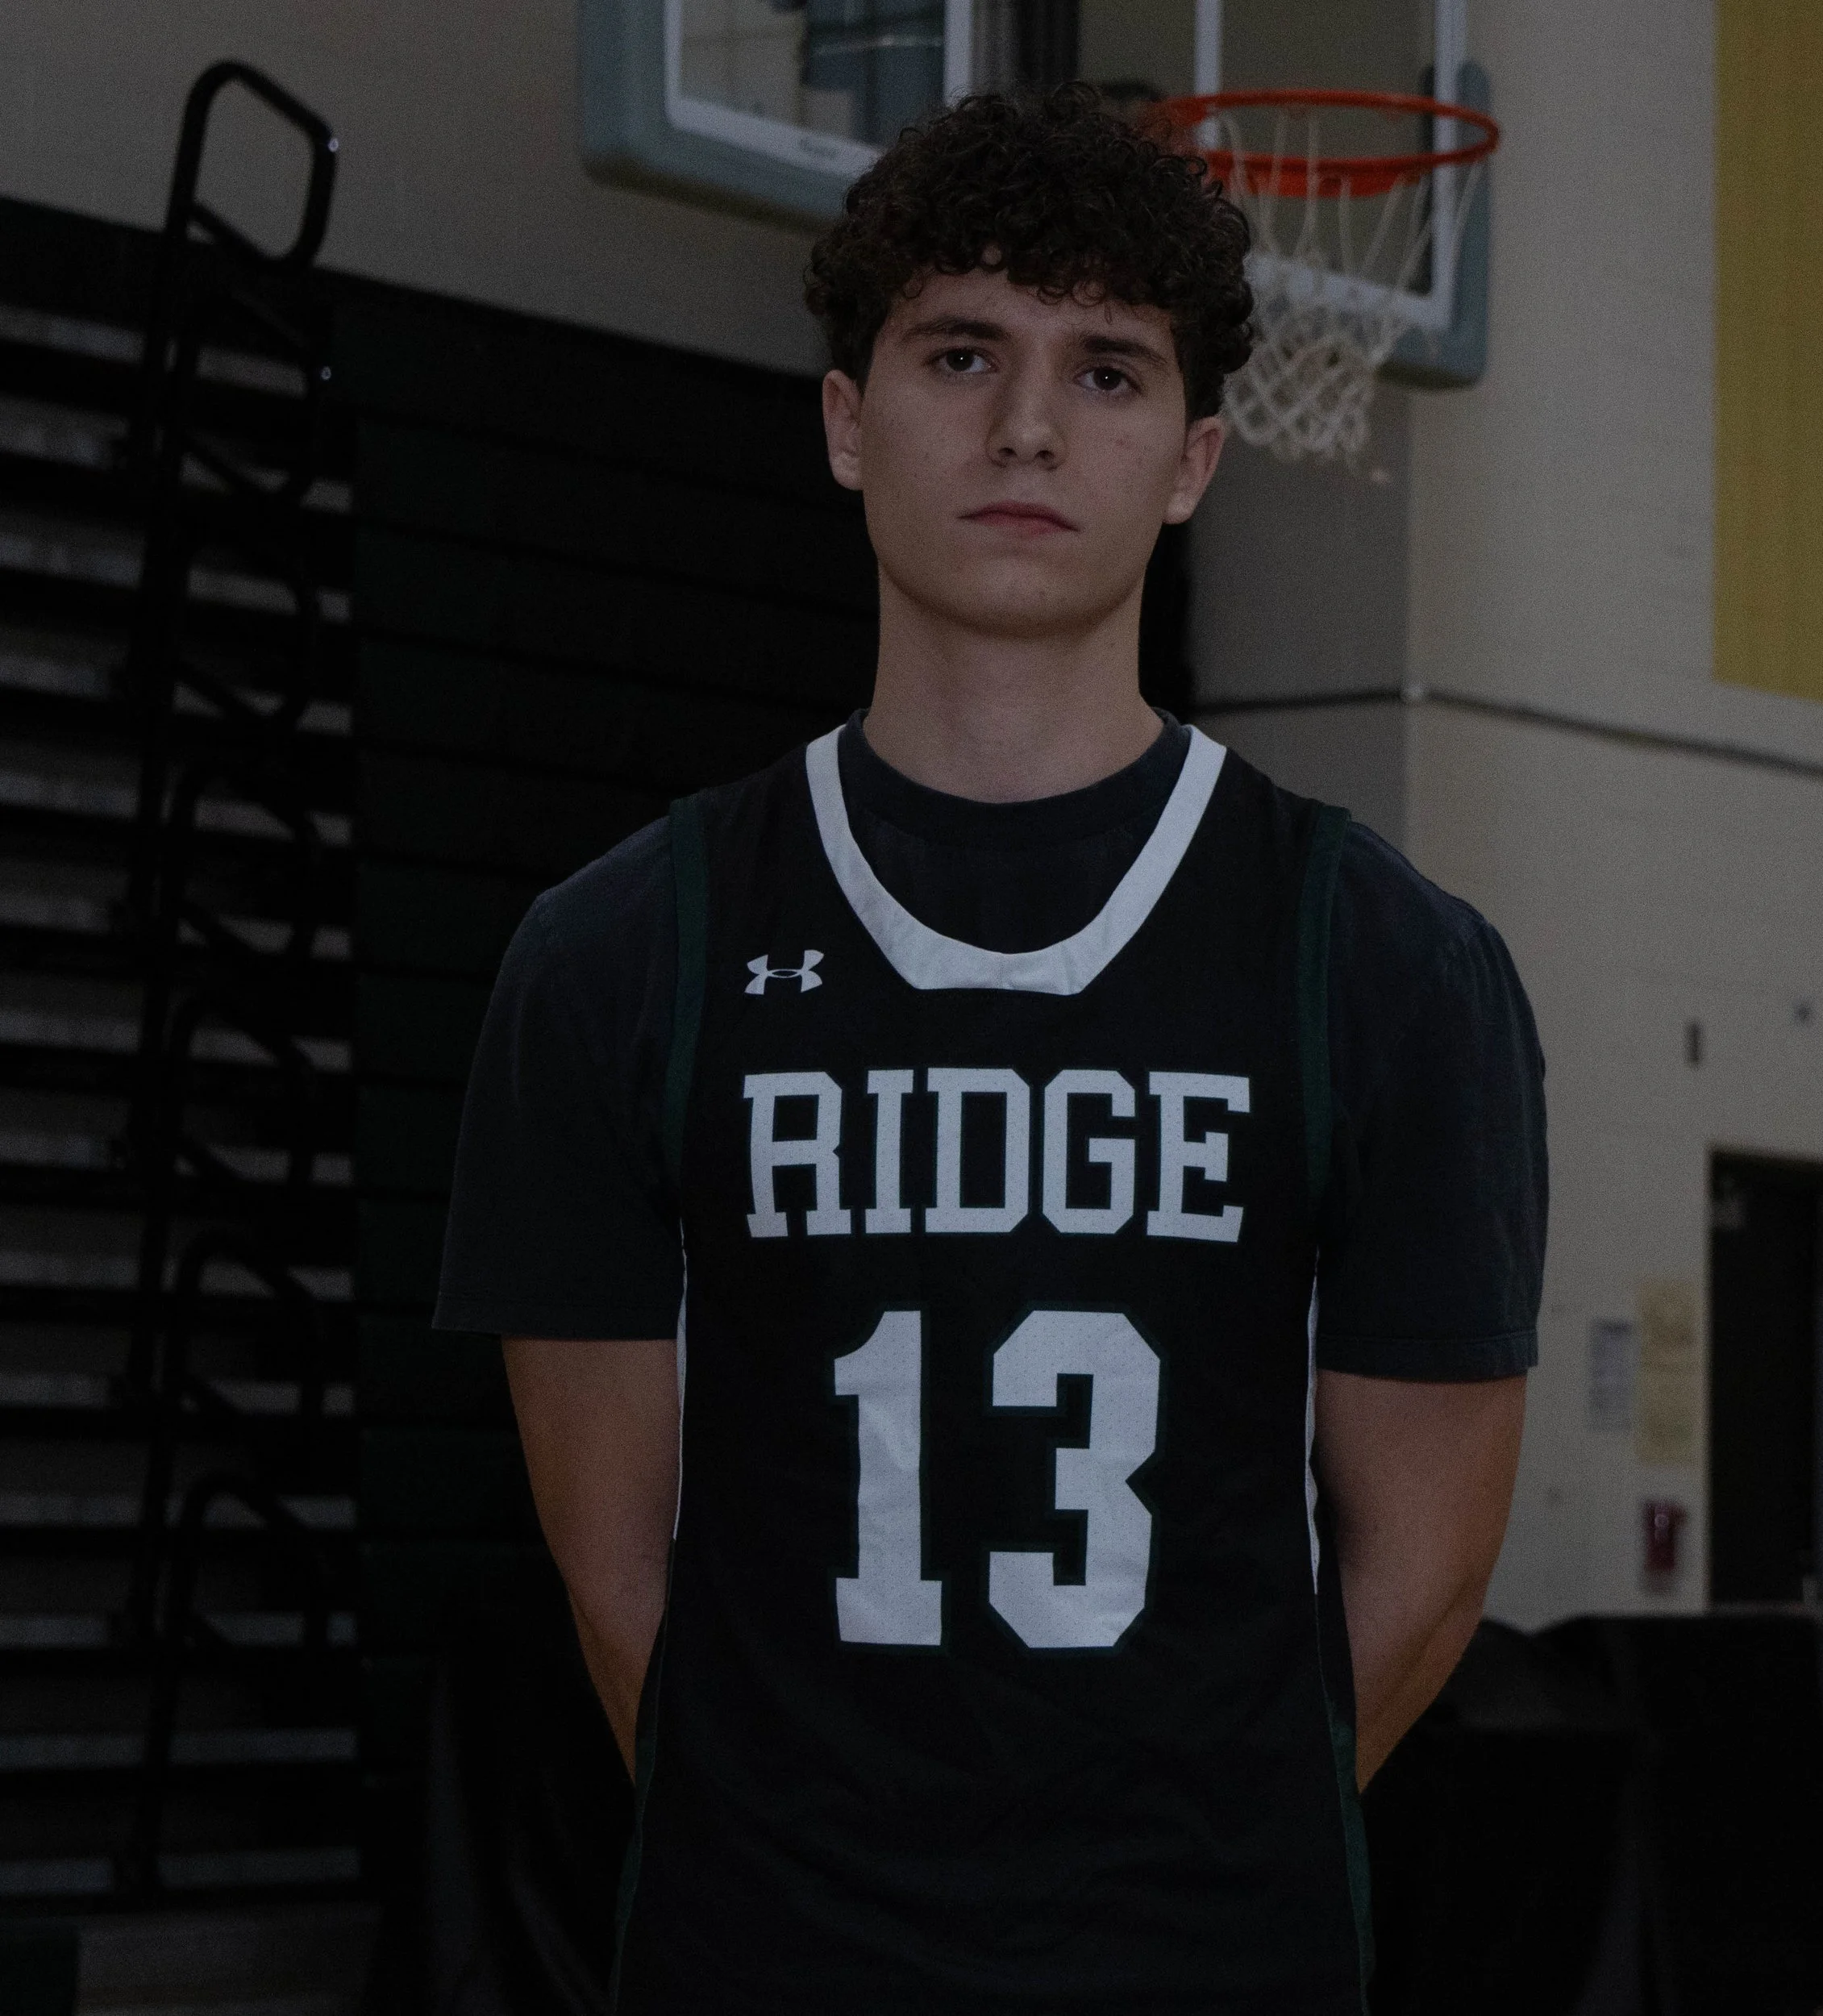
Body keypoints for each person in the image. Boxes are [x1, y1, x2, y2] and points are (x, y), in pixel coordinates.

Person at [436, 84, 1546, 2016]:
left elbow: (1427, 1573)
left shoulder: (1379, 962)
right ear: (847, 419)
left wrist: (1146, 1866)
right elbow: (613, 1581)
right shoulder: (618, 952)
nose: (1028, 424)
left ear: (1197, 456)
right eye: (962, 352)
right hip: (765, 1958)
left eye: (1105, 369)